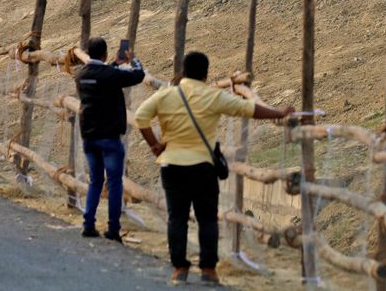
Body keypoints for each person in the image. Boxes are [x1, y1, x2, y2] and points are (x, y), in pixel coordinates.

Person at [136, 51, 293, 287]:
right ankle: (208, 269)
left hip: (172, 166)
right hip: (203, 167)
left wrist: (155, 145)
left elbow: (141, 117)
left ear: (184, 72)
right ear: (206, 74)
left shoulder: (166, 95)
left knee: (176, 218)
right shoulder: (213, 96)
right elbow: (249, 109)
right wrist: (279, 112)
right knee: (207, 218)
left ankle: (179, 268)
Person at [74, 37, 145, 242]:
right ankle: (113, 228)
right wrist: (133, 60)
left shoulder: (80, 75)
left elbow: (101, 75)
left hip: (89, 135)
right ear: (105, 54)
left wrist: (115, 63)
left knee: (95, 181)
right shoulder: (111, 75)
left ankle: (88, 224)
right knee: (114, 183)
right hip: (109, 137)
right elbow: (138, 75)